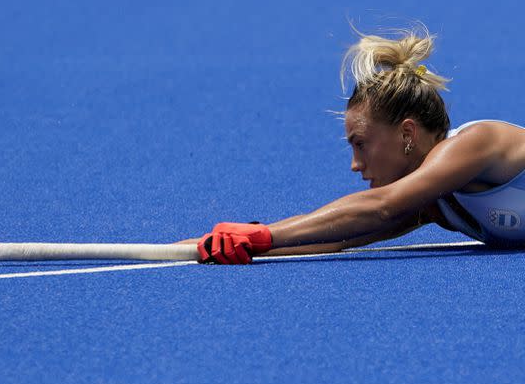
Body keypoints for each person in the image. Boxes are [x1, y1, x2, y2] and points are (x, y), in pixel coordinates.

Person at [190, 25, 525, 264]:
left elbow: (381, 206)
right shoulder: (435, 204)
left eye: (361, 144)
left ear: (407, 134)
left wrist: (264, 234)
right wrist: (221, 245)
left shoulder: (476, 143)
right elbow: (336, 237)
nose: (355, 164)